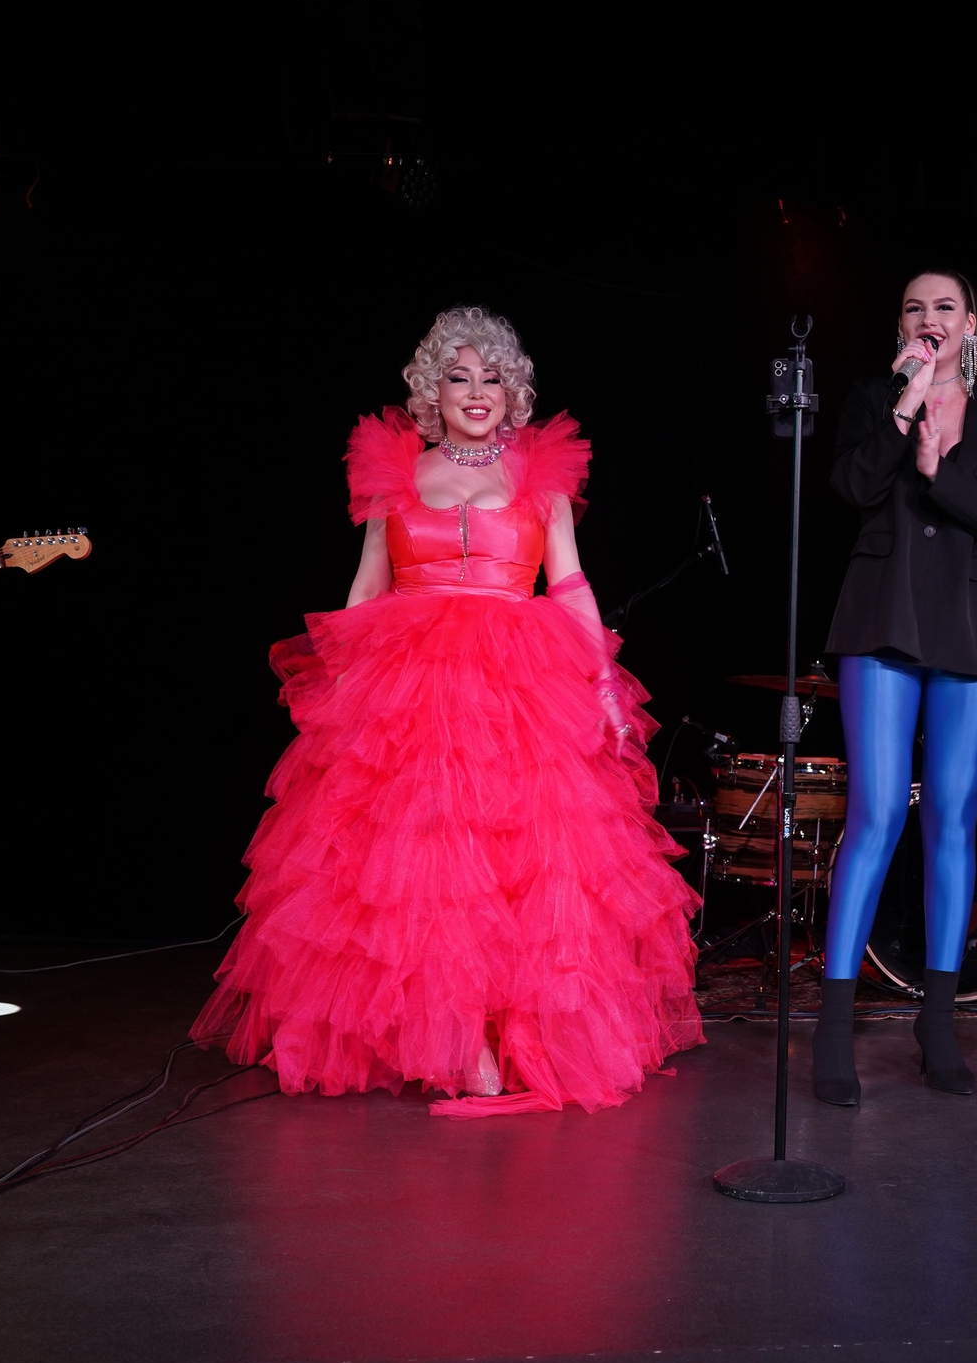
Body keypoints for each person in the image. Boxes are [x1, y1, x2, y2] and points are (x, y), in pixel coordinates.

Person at [192, 306, 700, 1115]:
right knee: (418, 863)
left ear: (513, 390)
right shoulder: (394, 472)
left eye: (492, 376)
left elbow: (569, 584)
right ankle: (451, 1038)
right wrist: (338, 685)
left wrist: (605, 686)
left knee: (517, 863)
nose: (476, 390)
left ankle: (505, 1035)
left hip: (517, 683)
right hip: (410, 682)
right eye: (459, 376)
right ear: (433, 389)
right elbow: (368, 586)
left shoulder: (540, 476)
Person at [811, 270, 977, 1104]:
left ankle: (937, 1024)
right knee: (875, 812)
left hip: (971, 621)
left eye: (945, 306)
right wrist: (905, 408)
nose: (929, 317)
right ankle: (833, 1028)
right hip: (882, 611)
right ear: (900, 325)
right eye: (915, 307)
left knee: (952, 815)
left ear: (970, 323)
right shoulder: (876, 397)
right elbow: (851, 486)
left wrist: (940, 467)